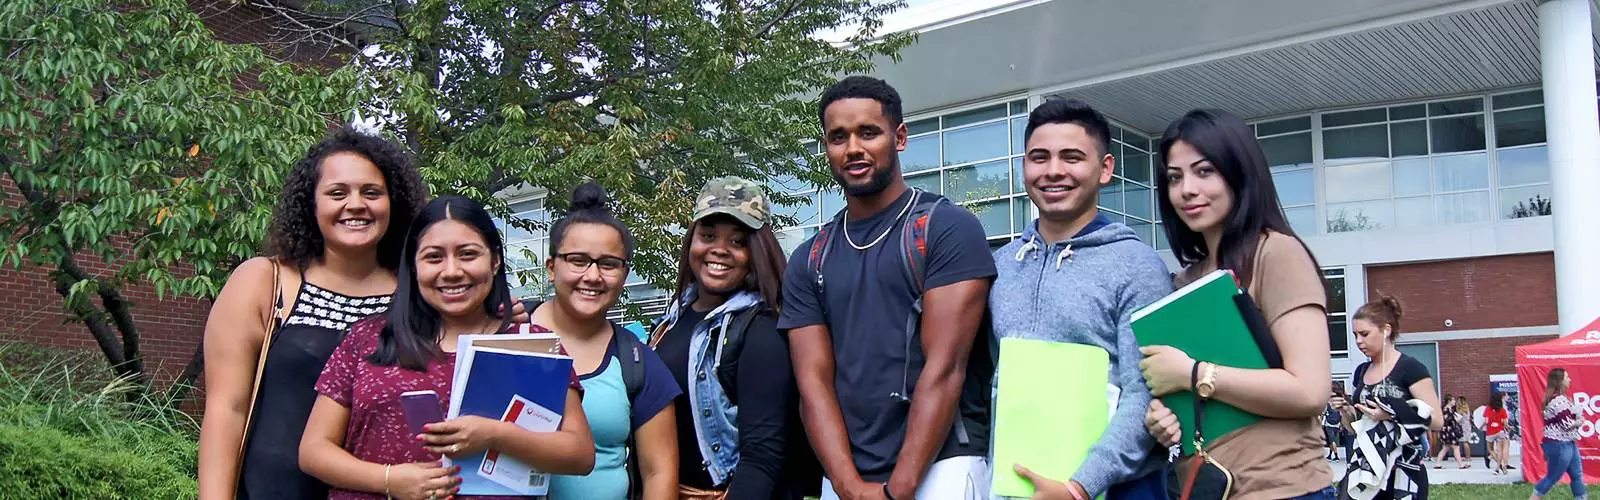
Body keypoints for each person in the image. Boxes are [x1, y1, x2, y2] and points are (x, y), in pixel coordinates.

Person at [780, 76, 997, 500]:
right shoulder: (810, 257)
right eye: (838, 137)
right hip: (847, 480)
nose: (853, 148)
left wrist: (899, 487)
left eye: (868, 132)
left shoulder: (946, 228)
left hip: (943, 467)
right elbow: (814, 385)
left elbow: (946, 369)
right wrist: (847, 485)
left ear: (899, 137)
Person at [300, 195, 596, 499]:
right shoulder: (368, 338)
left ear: (494, 261)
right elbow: (313, 450)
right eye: (433, 257)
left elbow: (580, 454)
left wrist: (495, 435)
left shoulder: (532, 344)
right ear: (413, 266)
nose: (452, 271)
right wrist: (389, 479)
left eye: (468, 254)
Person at [197, 127, 429, 500]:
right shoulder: (267, 283)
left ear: (394, 202)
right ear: (311, 204)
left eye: (372, 193)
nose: (356, 204)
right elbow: (227, 410)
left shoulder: (420, 295)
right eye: (337, 193)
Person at [1138, 109, 1335, 499]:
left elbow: (1311, 390)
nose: (1187, 190)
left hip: (1286, 489)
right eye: (1175, 178)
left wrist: (1193, 375)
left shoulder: (1276, 253)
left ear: (1239, 172)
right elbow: (1194, 399)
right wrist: (1165, 419)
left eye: (1204, 171)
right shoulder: (1183, 282)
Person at [989, 99, 1171, 500]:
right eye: (1040, 158)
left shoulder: (1137, 265)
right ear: (1024, 166)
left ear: (1105, 168)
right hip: (1014, 487)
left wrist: (1079, 487)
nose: (1053, 171)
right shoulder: (1000, 267)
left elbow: (1145, 392)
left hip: (1119, 490)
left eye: (1071, 157)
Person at [647, 177, 821, 499]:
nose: (719, 250)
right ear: (692, 241)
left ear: (756, 253)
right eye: (708, 235)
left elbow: (762, 459)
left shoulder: (761, 329)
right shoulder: (669, 322)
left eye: (738, 242)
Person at [524, 182, 682, 500]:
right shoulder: (505, 334)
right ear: (552, 268)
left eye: (608, 264)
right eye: (578, 260)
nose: (593, 276)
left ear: (624, 275)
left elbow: (659, 472)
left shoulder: (638, 363)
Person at [1331, 295, 1442, 500]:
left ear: (1386, 330)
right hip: (1367, 469)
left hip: (1403, 472)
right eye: (1355, 335)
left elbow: (1436, 420)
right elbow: (1355, 426)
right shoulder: (1361, 371)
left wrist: (1391, 414)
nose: (1358, 341)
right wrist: (1345, 411)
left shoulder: (1410, 368)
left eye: (1364, 334)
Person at [1531, 368, 1586, 500]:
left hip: (1567, 443)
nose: (1570, 380)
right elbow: (1567, 425)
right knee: (1552, 477)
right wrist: (1579, 421)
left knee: (1576, 475)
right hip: (1559, 444)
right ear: (1560, 381)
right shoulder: (1558, 401)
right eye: (1567, 377)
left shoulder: (1560, 399)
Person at [1433, 395, 1468, 469]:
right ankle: (1460, 464)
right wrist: (1455, 420)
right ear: (1449, 401)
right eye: (1453, 400)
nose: (1455, 401)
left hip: (1448, 431)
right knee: (1456, 447)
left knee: (1445, 448)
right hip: (1449, 431)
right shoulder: (1446, 409)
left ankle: (1438, 464)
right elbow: (1447, 420)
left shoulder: (1450, 409)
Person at [1486, 391, 1513, 475]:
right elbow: (1505, 423)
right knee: (1500, 450)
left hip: (1490, 432)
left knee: (1490, 449)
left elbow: (1486, 421)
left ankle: (1499, 466)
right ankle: (1499, 467)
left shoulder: (1488, 409)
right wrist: (1509, 427)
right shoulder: (1502, 410)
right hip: (1500, 431)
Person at [1325, 383, 1347, 462]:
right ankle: (1330, 455)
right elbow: (1342, 414)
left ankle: (1336, 456)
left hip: (1329, 424)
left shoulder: (1328, 403)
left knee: (1332, 441)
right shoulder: (1340, 402)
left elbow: (1323, 413)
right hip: (1337, 424)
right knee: (1332, 440)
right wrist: (1341, 425)